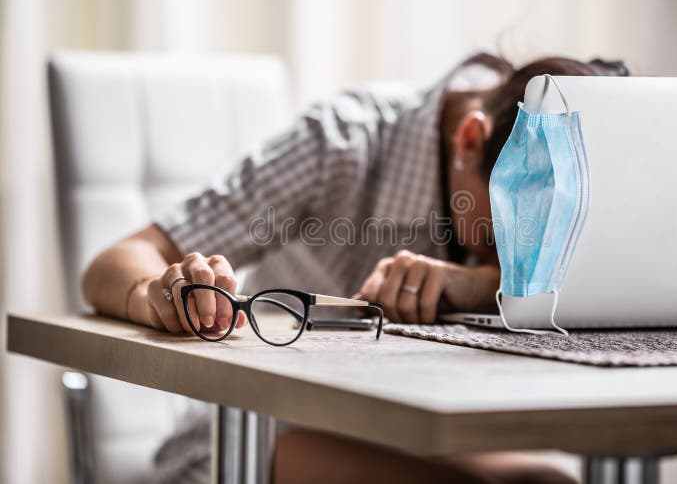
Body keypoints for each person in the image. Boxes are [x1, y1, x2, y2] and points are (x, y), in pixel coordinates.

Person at [82, 51, 624, 484]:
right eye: (504, 236)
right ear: (468, 140)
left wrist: (482, 284)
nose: (516, 261)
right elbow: (112, 263)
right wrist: (156, 292)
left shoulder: (555, 139)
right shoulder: (342, 141)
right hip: (251, 438)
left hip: (415, 432)